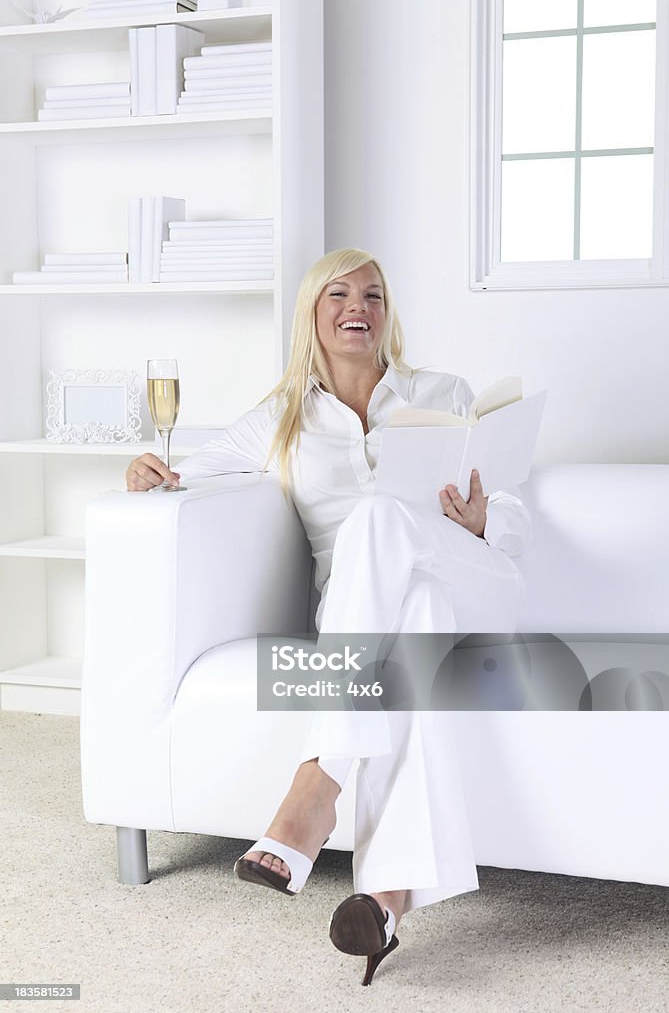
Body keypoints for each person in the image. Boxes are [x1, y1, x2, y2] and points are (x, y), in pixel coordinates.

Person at [125, 247, 531, 986]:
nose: (359, 307)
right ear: (313, 313)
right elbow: (187, 473)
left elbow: (511, 512)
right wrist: (147, 472)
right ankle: (384, 901)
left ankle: (317, 784)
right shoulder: (279, 417)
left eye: (373, 294)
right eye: (340, 294)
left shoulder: (439, 390)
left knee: (383, 525)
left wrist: (478, 522)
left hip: (477, 582)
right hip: (390, 617)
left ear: (386, 312)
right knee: (415, 615)